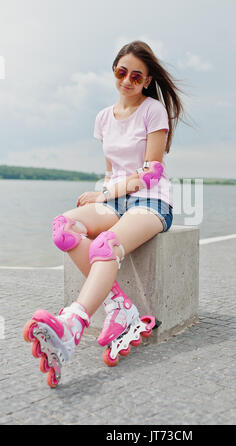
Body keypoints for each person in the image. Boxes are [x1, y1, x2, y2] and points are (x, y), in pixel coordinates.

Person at [23, 40, 185, 387]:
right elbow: (113, 169)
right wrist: (104, 196)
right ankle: (120, 308)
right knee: (64, 228)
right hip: (115, 200)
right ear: (114, 71)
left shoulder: (152, 110)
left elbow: (150, 173)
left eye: (135, 75)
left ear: (147, 80)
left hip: (151, 201)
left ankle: (72, 325)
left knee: (105, 246)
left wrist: (104, 192)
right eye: (121, 71)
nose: (127, 80)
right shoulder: (102, 118)